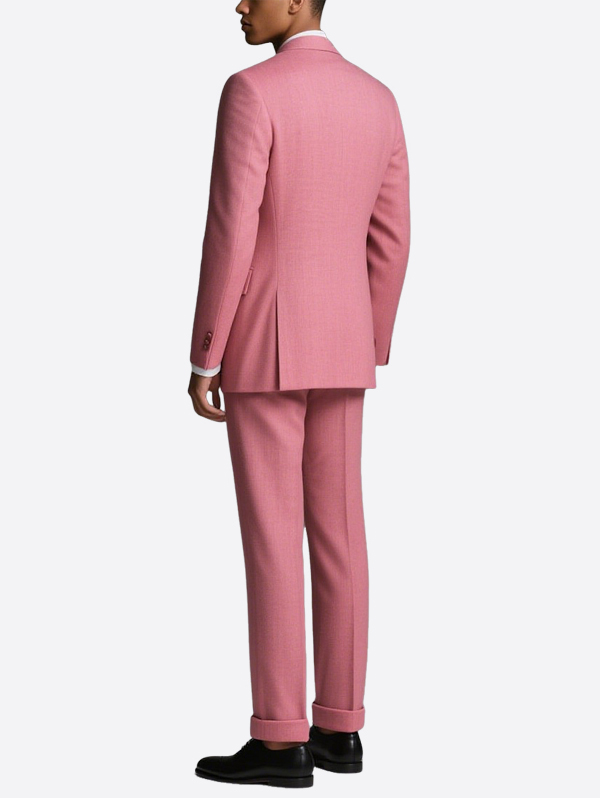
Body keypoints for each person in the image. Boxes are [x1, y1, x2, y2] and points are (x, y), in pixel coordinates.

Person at [188, 0, 410, 787]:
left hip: (264, 344)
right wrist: (368, 339)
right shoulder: (378, 97)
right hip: (344, 345)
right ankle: (341, 728)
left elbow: (232, 229)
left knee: (273, 538)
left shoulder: (252, 90)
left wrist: (206, 354)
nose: (239, 5)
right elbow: (392, 235)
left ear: (296, 1)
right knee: (341, 533)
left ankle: (281, 739)